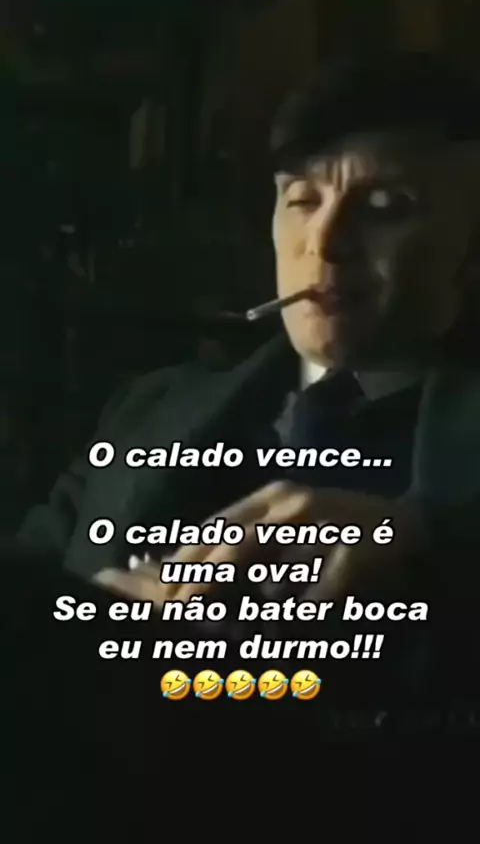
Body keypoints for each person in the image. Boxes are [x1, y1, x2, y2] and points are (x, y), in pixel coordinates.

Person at [15, 52, 480, 701]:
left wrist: (430, 550)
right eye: (302, 201)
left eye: (384, 208)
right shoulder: (148, 409)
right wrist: (95, 631)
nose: (324, 243)